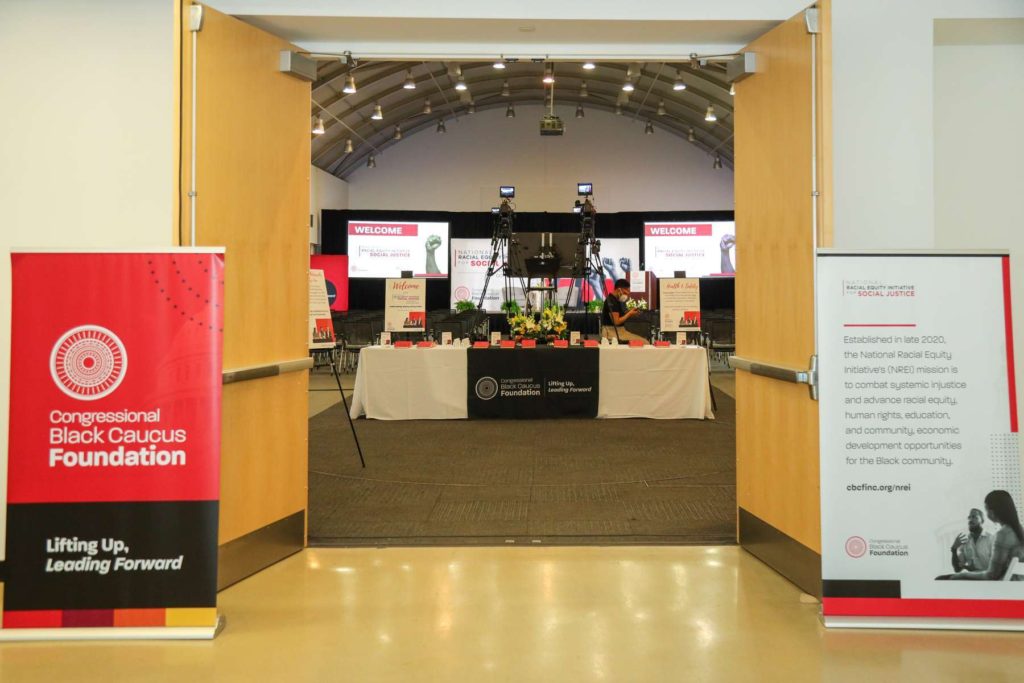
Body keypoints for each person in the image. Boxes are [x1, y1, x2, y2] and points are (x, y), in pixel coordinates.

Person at [937, 491, 1024, 581]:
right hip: (1007, 582)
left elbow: (992, 575)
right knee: (943, 578)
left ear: (984, 519)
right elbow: (957, 569)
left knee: (945, 579)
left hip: (998, 584)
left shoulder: (996, 537)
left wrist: (962, 575)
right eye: (969, 517)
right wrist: (954, 549)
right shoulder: (1018, 530)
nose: (970, 520)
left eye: (974, 517)